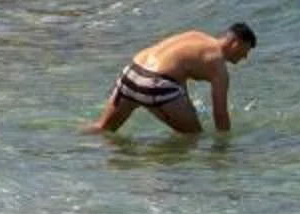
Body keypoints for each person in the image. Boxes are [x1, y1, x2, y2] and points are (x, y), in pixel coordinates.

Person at [89, 22, 255, 136]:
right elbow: (220, 115)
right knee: (194, 136)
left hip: (131, 73)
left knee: (102, 129)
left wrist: (188, 109)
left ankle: (73, 146)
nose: (245, 57)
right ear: (235, 43)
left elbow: (177, 70)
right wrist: (225, 150)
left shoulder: (196, 35)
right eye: (245, 51)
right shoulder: (218, 66)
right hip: (154, 84)